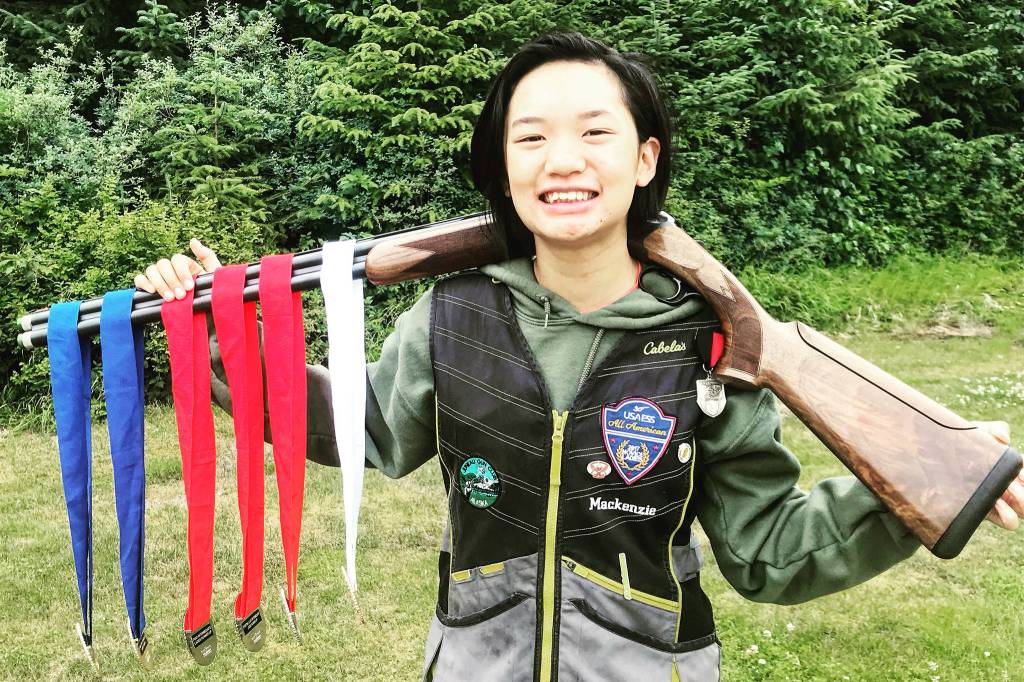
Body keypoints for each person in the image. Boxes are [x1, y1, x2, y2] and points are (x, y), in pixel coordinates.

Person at [136, 32, 1023, 682]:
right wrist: (220, 336)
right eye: (530, 137)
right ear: (503, 167)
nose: (562, 160)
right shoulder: (451, 315)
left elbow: (770, 554)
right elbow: (356, 429)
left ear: (644, 159)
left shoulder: (716, 345)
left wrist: (937, 489)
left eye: (596, 133)